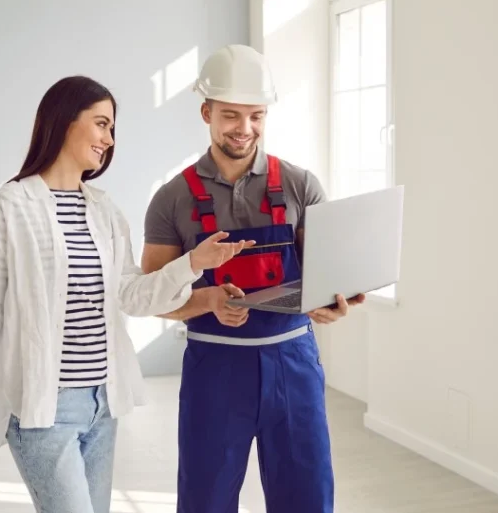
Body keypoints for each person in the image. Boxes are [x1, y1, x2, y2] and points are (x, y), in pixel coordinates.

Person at [0, 75, 253, 513]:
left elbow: (132, 296)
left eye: (112, 129)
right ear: (64, 121)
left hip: (102, 406)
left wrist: (193, 264)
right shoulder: (8, 209)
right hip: (43, 413)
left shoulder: (105, 211)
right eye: (101, 124)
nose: (109, 140)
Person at [141, 45, 365, 513]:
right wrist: (206, 303)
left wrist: (332, 302)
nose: (245, 129)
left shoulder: (301, 186)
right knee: (206, 499)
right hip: (216, 370)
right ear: (206, 112)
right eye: (230, 115)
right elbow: (151, 297)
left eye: (256, 116)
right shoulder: (172, 199)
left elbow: (324, 276)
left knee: (307, 498)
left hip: (294, 364)